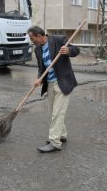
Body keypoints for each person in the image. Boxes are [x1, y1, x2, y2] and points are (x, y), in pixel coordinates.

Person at [27, 25, 80, 153]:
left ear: (39, 36)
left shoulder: (58, 40)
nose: (31, 41)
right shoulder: (37, 50)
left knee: (57, 113)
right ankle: (62, 135)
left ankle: (55, 142)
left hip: (62, 82)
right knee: (53, 113)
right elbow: (41, 68)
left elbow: (76, 50)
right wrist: (39, 78)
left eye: (32, 38)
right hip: (50, 84)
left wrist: (67, 50)